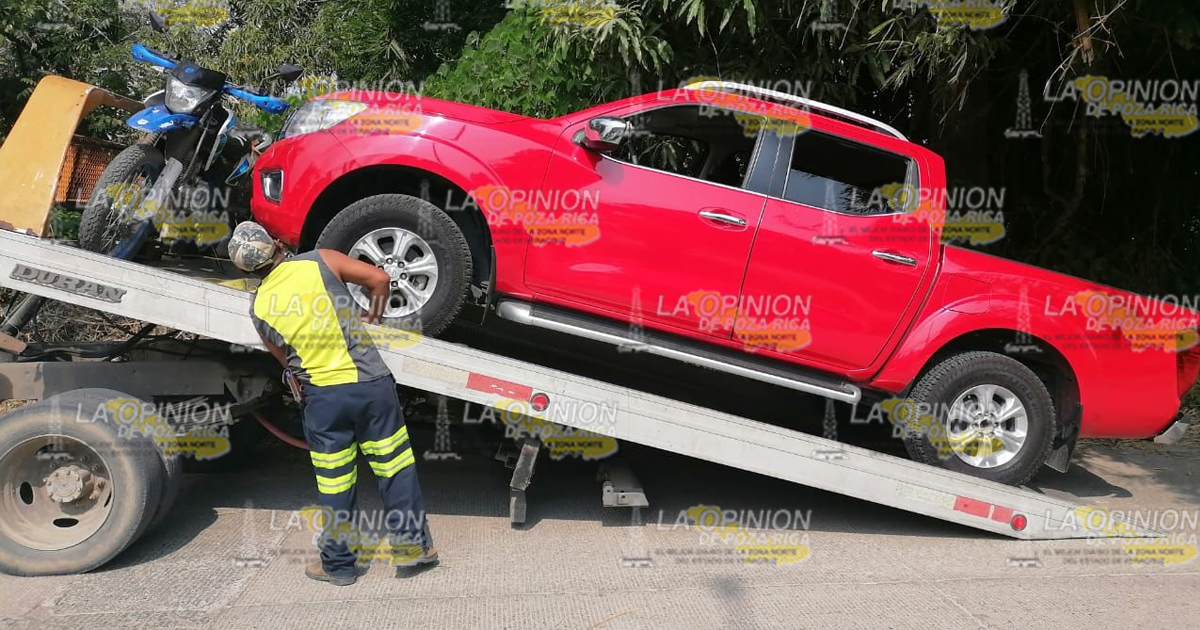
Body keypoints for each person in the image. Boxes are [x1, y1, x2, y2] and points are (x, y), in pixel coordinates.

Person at [228, 221, 437, 586]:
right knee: (394, 469)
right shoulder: (319, 260)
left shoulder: (258, 307)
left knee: (335, 483)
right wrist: (373, 318)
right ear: (275, 244)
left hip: (323, 399)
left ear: (246, 270)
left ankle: (339, 566)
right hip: (370, 387)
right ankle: (411, 548)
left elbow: (285, 359)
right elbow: (379, 279)